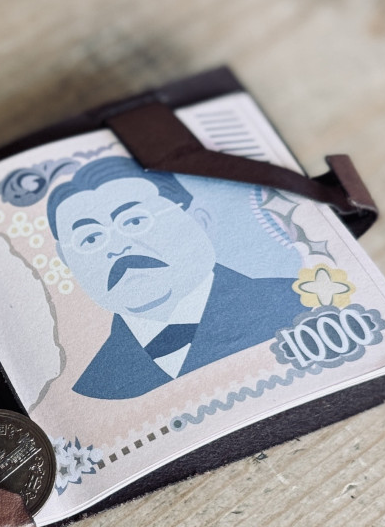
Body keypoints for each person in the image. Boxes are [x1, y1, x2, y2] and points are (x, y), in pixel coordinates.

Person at [47, 157, 306, 400]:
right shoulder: (95, 388)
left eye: (134, 221)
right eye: (90, 239)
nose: (117, 247)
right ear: (67, 260)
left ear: (200, 219)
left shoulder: (299, 307)